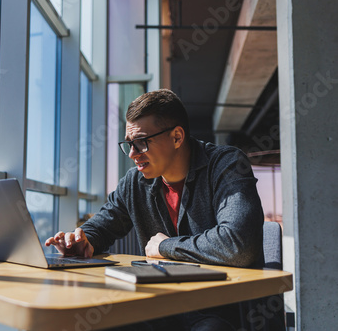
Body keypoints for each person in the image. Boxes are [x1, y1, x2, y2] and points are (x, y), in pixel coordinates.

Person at [45, 89, 267, 330]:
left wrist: (165, 246)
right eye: (129, 144)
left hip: (216, 306)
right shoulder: (135, 182)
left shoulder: (228, 165)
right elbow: (104, 223)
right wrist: (82, 238)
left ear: (177, 137)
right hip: (156, 303)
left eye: (141, 143)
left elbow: (238, 244)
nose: (132, 154)